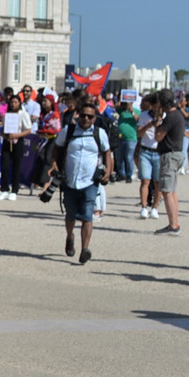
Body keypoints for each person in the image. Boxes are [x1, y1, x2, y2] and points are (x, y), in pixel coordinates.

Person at [52, 100, 114, 264]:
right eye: (84, 115)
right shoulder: (69, 131)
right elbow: (57, 148)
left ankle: (85, 248)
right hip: (70, 180)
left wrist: (108, 171)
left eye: (90, 116)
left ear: (94, 118)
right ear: (78, 115)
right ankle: (70, 236)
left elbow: (107, 152)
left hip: (90, 181)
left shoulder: (99, 133)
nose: (86, 119)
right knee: (70, 215)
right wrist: (54, 165)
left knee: (87, 215)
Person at [153, 90, 188, 235]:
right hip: (177, 153)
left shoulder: (170, 117)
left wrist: (157, 121)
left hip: (170, 154)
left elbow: (159, 137)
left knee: (167, 191)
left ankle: (173, 225)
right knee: (172, 191)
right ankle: (174, 222)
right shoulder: (179, 114)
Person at [0, 94, 30, 200]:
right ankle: (4, 189)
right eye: (12, 102)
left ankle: (14, 190)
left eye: (15, 102)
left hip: (18, 142)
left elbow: (28, 129)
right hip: (7, 141)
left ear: (19, 103)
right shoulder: (7, 114)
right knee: (4, 166)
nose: (13, 104)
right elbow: (3, 129)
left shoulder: (23, 114)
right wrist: (4, 134)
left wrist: (17, 135)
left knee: (16, 167)